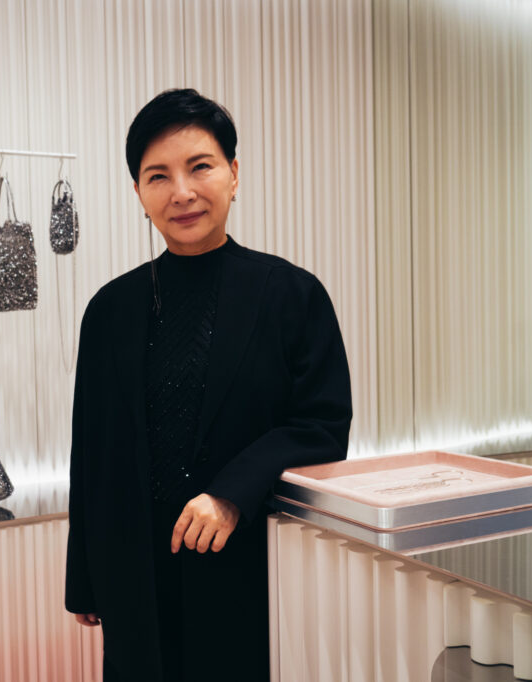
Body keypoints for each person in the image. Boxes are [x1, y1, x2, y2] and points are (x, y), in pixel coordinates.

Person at [64, 89, 353, 681]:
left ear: (234, 174)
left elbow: (322, 426)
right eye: (158, 176)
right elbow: (89, 451)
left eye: (200, 166)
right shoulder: (110, 310)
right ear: (139, 193)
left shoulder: (291, 295)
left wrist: (229, 493)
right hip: (134, 574)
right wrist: (84, 579)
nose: (182, 192)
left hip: (243, 565)